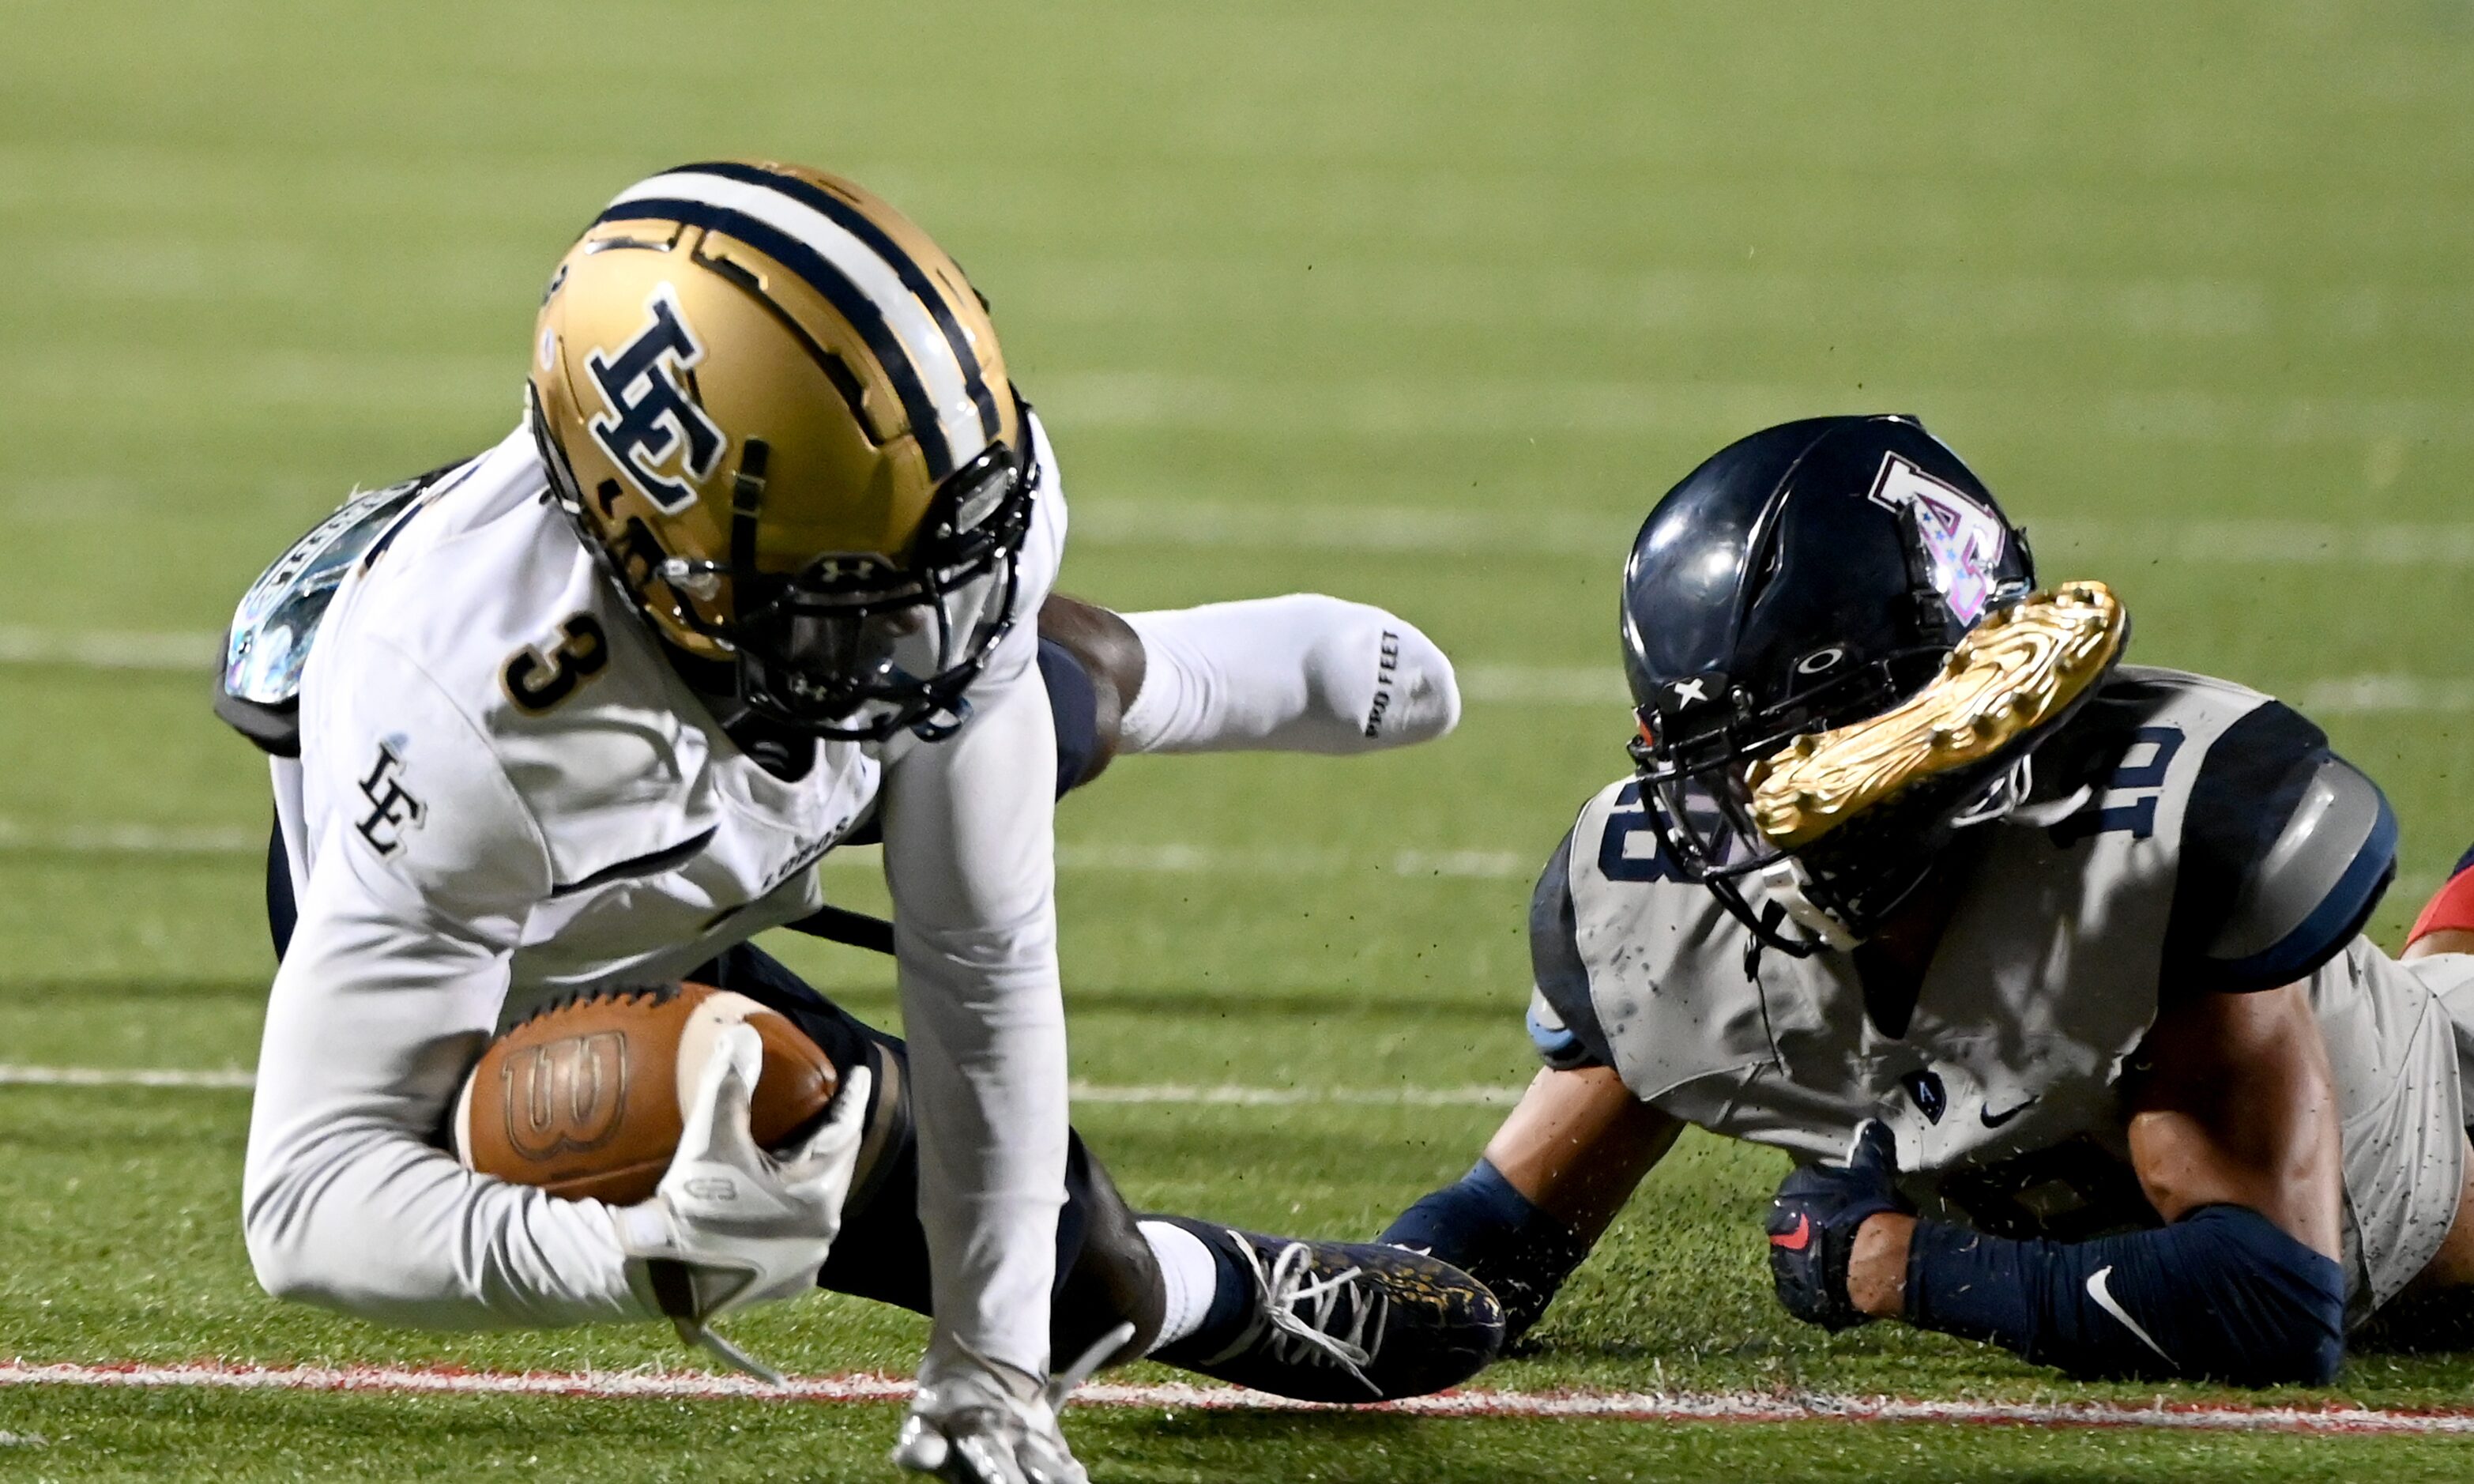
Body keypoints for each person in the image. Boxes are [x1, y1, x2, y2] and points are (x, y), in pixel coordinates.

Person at [217, 159, 1497, 1484]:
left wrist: (987, 1366)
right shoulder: (460, 733)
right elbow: (308, 1202)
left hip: (724, 738)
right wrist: (639, 1257)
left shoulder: (965, 515)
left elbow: (982, 965)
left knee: (1011, 680)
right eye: (849, 587)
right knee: (1054, 1250)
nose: (926, 634)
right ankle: (1213, 1284)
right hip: (551, 936)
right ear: (658, 552)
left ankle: (1145, 675)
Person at [1381, 415, 2474, 1388]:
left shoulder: (2155, 843)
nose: (1764, 816)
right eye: (1728, 771)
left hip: (2442, 1146)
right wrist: (1350, 1302)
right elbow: (1497, 1231)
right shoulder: (1673, 909)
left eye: (1802, 751)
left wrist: (1901, 1265)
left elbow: (2272, 1297)